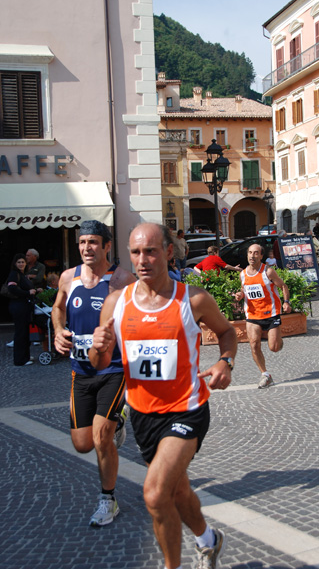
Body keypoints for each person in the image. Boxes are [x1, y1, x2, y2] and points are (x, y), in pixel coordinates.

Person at [89, 223, 237, 569]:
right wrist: (98, 348)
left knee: (155, 494)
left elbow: (227, 331)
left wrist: (225, 362)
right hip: (142, 415)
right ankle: (208, 540)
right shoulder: (116, 303)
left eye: (151, 251)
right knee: (178, 491)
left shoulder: (193, 298)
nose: (143, 260)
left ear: (168, 252)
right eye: (136, 252)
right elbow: (99, 362)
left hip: (187, 411)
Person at [52, 220, 136, 526]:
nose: (87, 248)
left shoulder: (122, 279)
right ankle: (119, 421)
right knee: (83, 444)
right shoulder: (68, 278)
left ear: (106, 246)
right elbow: (58, 309)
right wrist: (59, 330)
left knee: (102, 439)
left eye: (93, 242)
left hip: (114, 369)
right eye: (82, 242)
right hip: (80, 371)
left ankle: (107, 499)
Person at [235, 243, 292, 389]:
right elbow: (243, 290)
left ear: (261, 256)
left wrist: (286, 302)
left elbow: (283, 286)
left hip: (271, 313)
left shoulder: (268, 272)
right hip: (253, 314)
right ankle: (265, 374)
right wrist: (240, 295)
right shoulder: (243, 274)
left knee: (274, 347)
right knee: (254, 344)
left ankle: (278, 340)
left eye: (255, 253)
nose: (252, 256)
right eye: (249, 253)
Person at [6, 253, 41, 366]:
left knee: (25, 332)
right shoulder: (14, 274)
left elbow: (26, 288)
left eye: (23, 262)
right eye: (19, 262)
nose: (21, 264)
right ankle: (20, 359)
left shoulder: (22, 275)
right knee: (21, 333)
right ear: (15, 264)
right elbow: (12, 288)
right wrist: (27, 293)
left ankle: (25, 356)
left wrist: (35, 290)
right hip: (18, 306)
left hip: (24, 307)